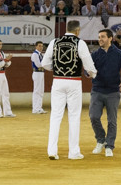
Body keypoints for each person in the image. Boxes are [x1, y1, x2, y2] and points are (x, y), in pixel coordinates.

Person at [40, 20, 97, 160]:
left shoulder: (54, 42)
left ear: (66, 29)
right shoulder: (80, 43)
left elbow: (45, 64)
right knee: (74, 116)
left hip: (58, 81)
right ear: (77, 31)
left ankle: (52, 151)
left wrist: (57, 68)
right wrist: (93, 73)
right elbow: (89, 65)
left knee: (55, 116)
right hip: (74, 82)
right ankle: (73, 152)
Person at [89, 29, 121, 157]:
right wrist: (87, 73)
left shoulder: (118, 53)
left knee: (112, 121)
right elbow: (88, 69)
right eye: (99, 37)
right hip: (97, 90)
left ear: (110, 38)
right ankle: (101, 140)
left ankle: (109, 145)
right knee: (94, 117)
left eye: (103, 37)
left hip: (113, 91)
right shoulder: (95, 54)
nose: (100, 39)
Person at [30, 40, 47, 114]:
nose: (41, 47)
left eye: (42, 46)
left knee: (41, 91)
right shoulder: (35, 54)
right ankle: (35, 108)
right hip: (37, 73)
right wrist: (46, 63)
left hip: (41, 73)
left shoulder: (40, 54)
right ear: (36, 46)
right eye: (39, 46)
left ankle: (39, 107)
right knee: (37, 90)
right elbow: (38, 64)